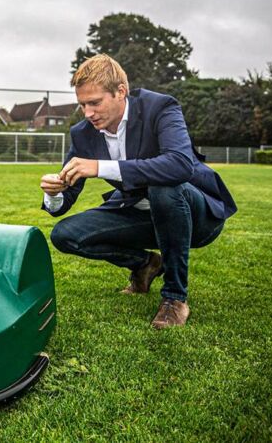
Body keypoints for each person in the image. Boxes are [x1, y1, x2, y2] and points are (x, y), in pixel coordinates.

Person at [40, 54, 237, 328]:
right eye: (82, 104)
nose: (87, 113)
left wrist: (102, 167)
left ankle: (174, 298)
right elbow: (62, 203)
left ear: (121, 92)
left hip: (197, 215)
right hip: (141, 214)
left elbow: (180, 165)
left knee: (163, 187)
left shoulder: (160, 107)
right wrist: (53, 191)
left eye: (95, 102)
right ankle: (145, 264)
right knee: (65, 235)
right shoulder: (83, 133)